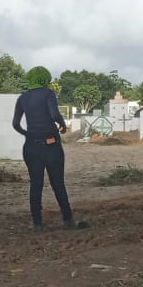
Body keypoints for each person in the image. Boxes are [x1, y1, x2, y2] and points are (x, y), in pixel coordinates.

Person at [13, 66, 89, 232]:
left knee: (36, 184)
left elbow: (15, 124)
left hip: (31, 146)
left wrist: (28, 134)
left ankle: (37, 224)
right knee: (58, 183)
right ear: (45, 79)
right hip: (51, 144)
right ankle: (68, 220)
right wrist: (62, 124)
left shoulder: (22, 98)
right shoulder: (48, 94)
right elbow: (54, 114)